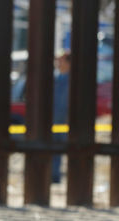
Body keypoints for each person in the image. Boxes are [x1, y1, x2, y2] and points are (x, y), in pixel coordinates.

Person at [51, 49, 70, 184]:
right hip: (53, 120)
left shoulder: (72, 80)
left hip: (66, 121)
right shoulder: (55, 78)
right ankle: (54, 177)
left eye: (61, 60)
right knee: (53, 150)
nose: (58, 62)